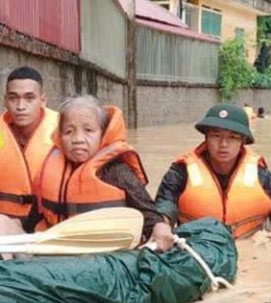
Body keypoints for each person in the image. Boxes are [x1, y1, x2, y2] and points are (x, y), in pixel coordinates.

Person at [28, 95, 173, 250]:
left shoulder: (117, 172)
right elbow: (33, 219)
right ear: (59, 136)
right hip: (56, 250)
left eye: (88, 130)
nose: (78, 139)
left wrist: (160, 227)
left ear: (102, 134)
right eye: (69, 131)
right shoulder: (49, 169)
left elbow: (150, 215)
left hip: (104, 258)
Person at [155, 103, 271, 242]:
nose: (223, 144)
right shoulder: (182, 170)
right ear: (206, 137)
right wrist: (161, 228)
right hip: (199, 249)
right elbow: (164, 206)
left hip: (250, 249)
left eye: (232, 137)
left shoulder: (261, 173)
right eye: (216, 136)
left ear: (243, 141)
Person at [0, 66, 58, 228]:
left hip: (49, 228)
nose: (21, 106)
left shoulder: (63, 136)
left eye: (29, 98)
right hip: (4, 228)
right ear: (5, 100)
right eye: (13, 98)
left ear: (43, 100)